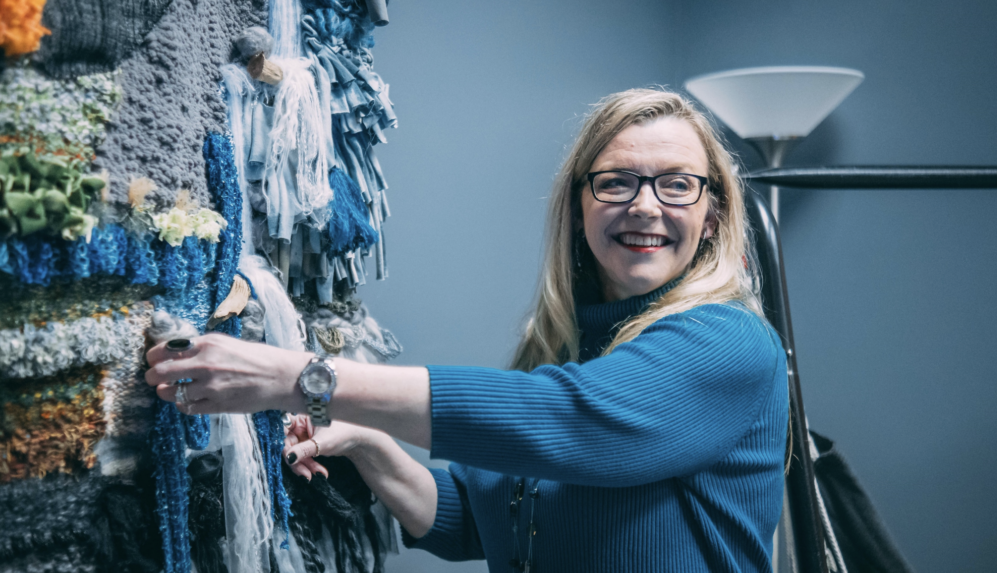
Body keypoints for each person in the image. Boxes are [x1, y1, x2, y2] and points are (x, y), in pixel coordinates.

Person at [146, 88, 789, 573]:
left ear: (711, 217)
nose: (645, 205)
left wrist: (302, 380)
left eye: (677, 185)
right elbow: (477, 523)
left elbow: (570, 422)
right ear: (578, 208)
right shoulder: (572, 347)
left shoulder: (729, 342)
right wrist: (368, 443)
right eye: (616, 182)